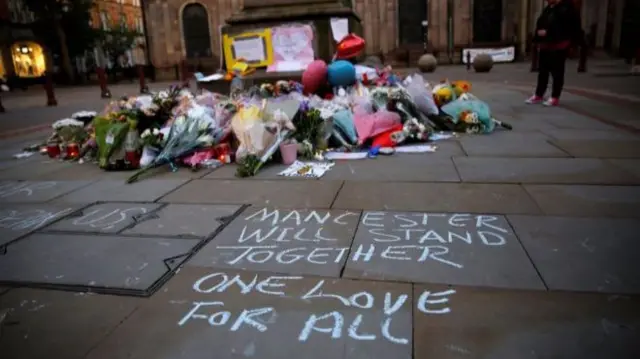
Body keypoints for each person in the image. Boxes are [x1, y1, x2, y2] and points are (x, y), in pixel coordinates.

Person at [526, 0, 583, 106]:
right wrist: (538, 36)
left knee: (557, 72)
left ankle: (555, 96)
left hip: (559, 44)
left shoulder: (567, 9)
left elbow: (568, 27)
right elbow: (541, 22)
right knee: (543, 71)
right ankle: (539, 94)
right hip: (545, 44)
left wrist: (549, 32)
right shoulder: (548, 9)